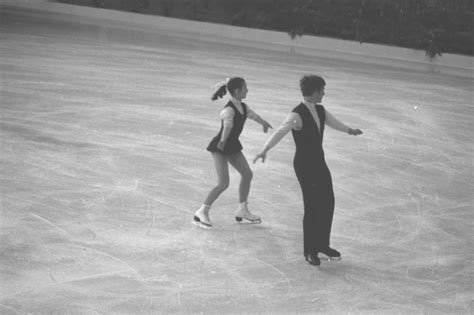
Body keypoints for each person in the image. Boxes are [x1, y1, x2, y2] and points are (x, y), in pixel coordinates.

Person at [253, 75, 362, 266]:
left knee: (328, 201)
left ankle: (322, 245)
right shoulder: (296, 114)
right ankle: (309, 250)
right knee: (312, 206)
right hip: (304, 165)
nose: (324, 94)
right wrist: (264, 150)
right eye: (321, 90)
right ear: (313, 92)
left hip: (319, 162)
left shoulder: (320, 110)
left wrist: (349, 130)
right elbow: (280, 131)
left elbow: (333, 122)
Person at [193, 77, 273, 229]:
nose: (247, 90)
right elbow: (227, 126)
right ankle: (202, 211)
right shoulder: (228, 109)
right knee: (223, 183)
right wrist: (222, 141)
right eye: (245, 88)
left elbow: (253, 116)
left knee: (247, 174)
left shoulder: (243, 106)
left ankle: (242, 210)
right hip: (220, 147)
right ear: (237, 91)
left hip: (232, 146)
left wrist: (263, 123)